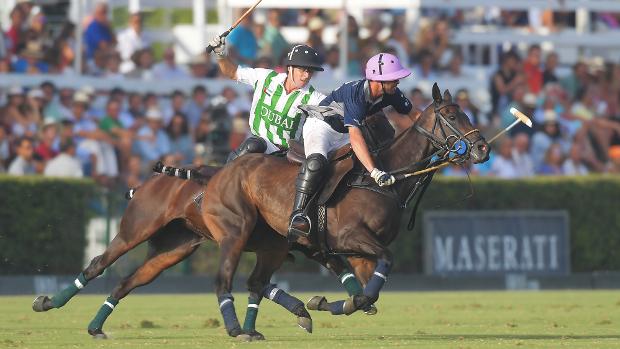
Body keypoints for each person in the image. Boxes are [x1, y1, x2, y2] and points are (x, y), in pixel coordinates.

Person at [287, 53, 420, 239]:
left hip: (344, 133)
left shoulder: (391, 94)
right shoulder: (355, 93)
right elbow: (356, 135)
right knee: (316, 163)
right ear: (378, 80)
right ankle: (298, 215)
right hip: (321, 127)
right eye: (393, 79)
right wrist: (374, 171)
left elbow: (416, 116)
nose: (397, 81)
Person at [207, 35, 326, 162]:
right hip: (256, 143)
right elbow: (231, 72)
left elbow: (335, 110)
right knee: (253, 145)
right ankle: (225, 177)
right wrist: (220, 54)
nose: (307, 75)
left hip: (285, 154)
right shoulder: (266, 78)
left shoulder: (313, 97)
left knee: (253, 145)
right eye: (302, 69)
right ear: (290, 67)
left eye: (310, 71)